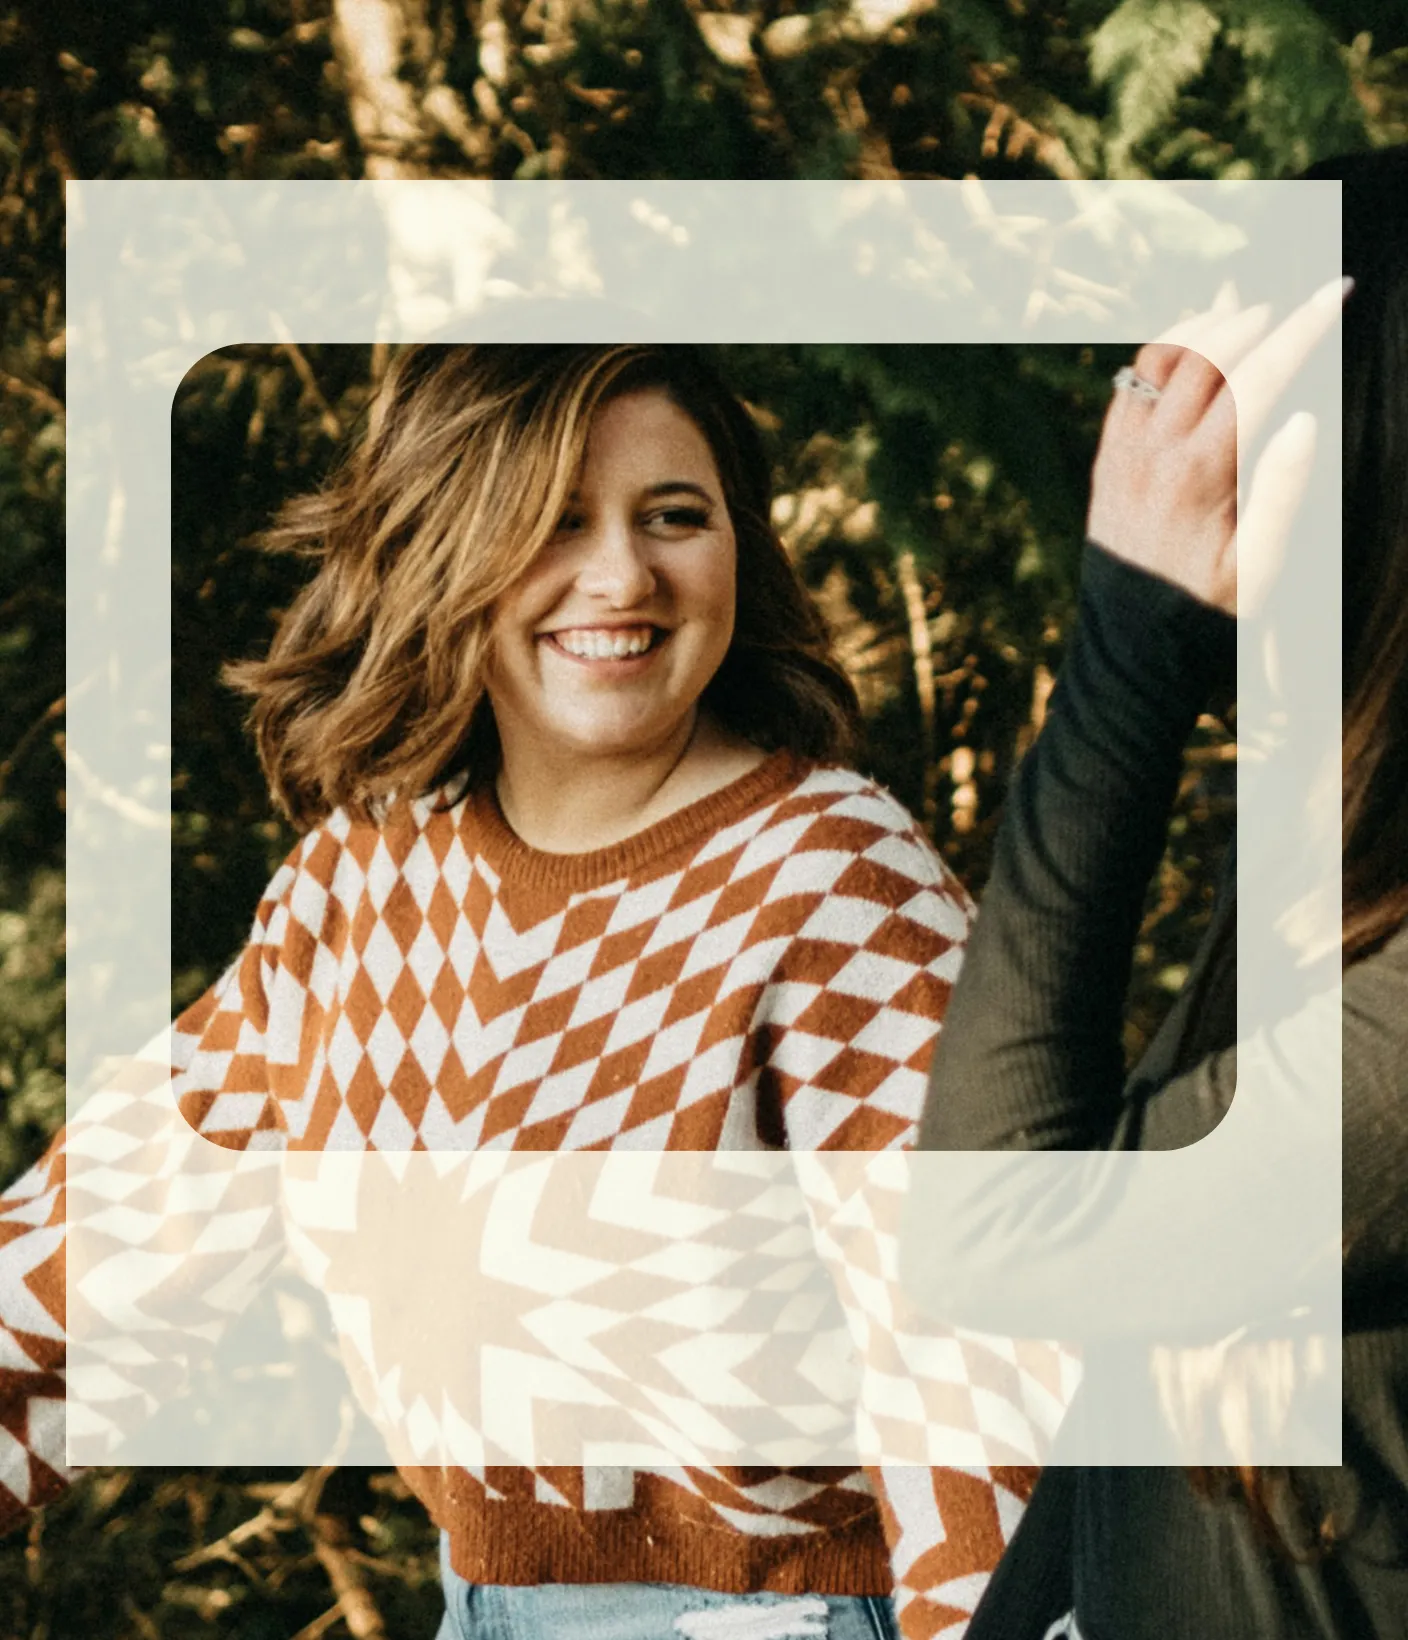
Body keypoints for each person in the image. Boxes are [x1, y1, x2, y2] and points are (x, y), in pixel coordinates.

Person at [0, 342, 1068, 1640]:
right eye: (553, 520)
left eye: (675, 516)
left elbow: (979, 1373)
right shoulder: (363, 883)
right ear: (443, 544)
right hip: (484, 1605)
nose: (622, 573)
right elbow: (92, 1270)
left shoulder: (834, 884)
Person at [905, 148, 1408, 1639]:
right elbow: (1141, 1433)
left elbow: (988, 1228)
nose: (1163, 494)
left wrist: (1132, 642)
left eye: (1220, 451)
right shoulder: (1346, 890)